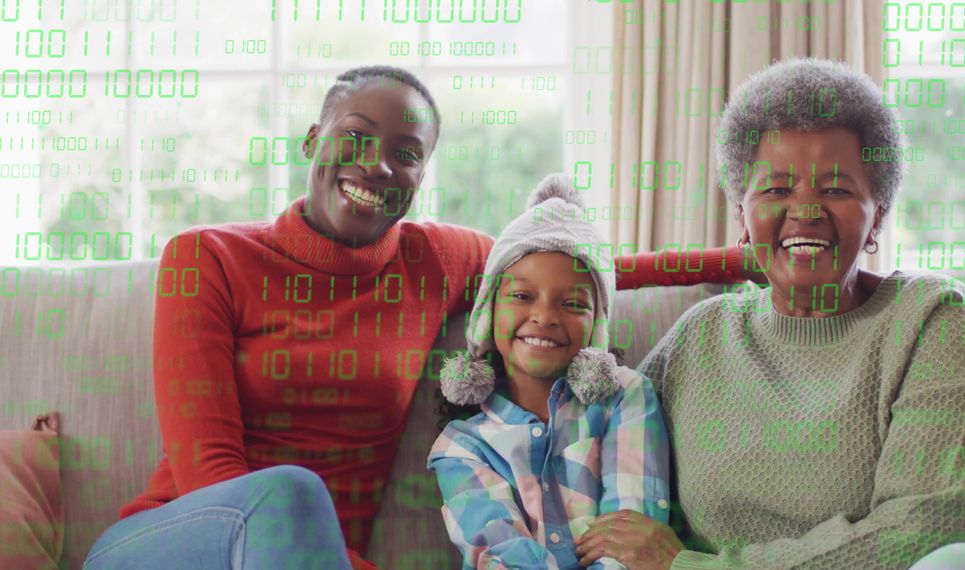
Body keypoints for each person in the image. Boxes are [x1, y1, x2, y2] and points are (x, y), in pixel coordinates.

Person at [84, 66, 755, 569]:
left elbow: (567, 268)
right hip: (176, 540)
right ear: (313, 140)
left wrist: (747, 259)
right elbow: (210, 478)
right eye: (355, 137)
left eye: (405, 153)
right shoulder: (206, 257)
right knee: (287, 494)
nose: (376, 165)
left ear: (421, 173)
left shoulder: (435, 258)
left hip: (319, 558)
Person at [573, 58, 965, 570]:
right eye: (776, 189)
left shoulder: (930, 316)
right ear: (742, 215)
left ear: (877, 216)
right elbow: (582, 432)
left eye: (835, 189)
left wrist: (696, 567)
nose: (806, 210)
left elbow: (936, 524)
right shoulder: (699, 337)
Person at [427, 173, 670, 569]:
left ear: (597, 328)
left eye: (573, 303)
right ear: (488, 315)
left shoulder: (626, 398)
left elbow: (632, 543)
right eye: (522, 295)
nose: (544, 316)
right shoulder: (461, 446)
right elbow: (500, 556)